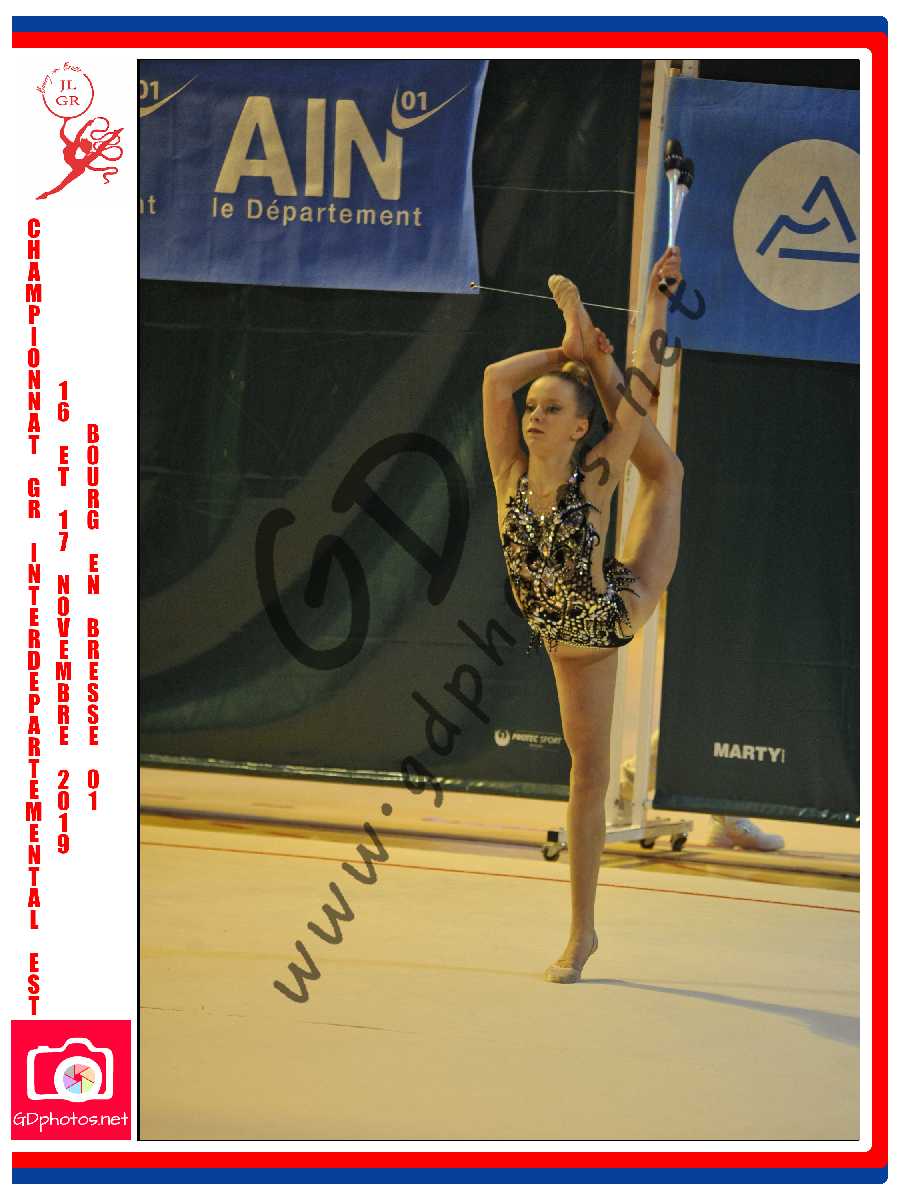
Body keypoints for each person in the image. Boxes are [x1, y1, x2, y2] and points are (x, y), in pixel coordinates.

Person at [482, 246, 684, 982]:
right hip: (559, 635)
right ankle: (586, 932)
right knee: (582, 775)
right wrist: (563, 350)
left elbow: (640, 393)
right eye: (533, 408)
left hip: (605, 621)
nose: (534, 415)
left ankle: (581, 933)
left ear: (577, 430)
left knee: (663, 474)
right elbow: (494, 379)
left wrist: (656, 304)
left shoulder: (595, 478)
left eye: (552, 409)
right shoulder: (508, 472)